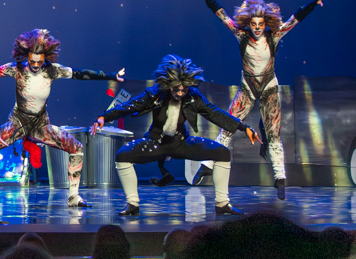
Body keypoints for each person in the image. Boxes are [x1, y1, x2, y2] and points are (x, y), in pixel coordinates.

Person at [0, 28, 124, 208]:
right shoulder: (17, 69)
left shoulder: (53, 70)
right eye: (32, 61)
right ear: (27, 56)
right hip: (18, 122)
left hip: (41, 125)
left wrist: (111, 76)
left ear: (45, 58)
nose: (35, 65)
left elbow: (81, 74)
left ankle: (74, 197)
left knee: (76, 148)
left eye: (39, 62)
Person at [193, 0, 326, 199]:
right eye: (253, 25)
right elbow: (220, 13)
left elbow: (296, 18)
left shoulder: (274, 36)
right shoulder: (241, 35)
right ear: (249, 23)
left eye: (260, 25)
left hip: (269, 88)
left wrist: (315, 1)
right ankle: (207, 165)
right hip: (247, 88)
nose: (256, 28)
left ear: (265, 24)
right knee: (228, 126)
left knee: (273, 134)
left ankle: (280, 177)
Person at [90, 55, 260, 216]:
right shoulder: (154, 94)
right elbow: (130, 106)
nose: (179, 93)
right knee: (122, 155)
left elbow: (215, 113)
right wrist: (103, 117)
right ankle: (132, 205)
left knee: (222, 153)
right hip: (155, 142)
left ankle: (222, 204)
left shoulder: (193, 96)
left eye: (183, 90)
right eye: (176, 89)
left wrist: (244, 127)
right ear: (167, 85)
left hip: (180, 142)